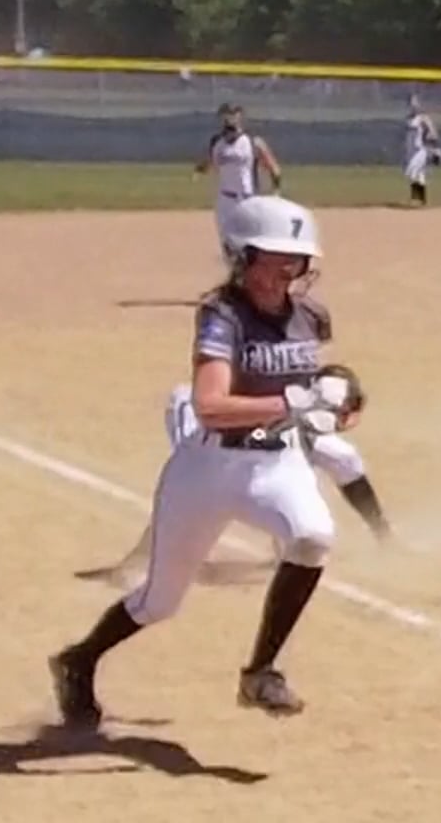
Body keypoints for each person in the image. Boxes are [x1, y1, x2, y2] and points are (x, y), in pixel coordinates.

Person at [47, 195, 358, 727]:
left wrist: (336, 405)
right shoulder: (222, 315)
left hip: (276, 461)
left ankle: (260, 672)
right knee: (158, 603)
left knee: (312, 536)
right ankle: (79, 660)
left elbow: (311, 387)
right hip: (209, 469)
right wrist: (291, 402)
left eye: (296, 259)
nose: (286, 269)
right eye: (273, 257)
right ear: (242, 255)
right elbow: (211, 407)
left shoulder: (311, 317)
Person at [81, 378, 393, 593]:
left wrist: (382, 533)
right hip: (197, 418)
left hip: (251, 433)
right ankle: (137, 564)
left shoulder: (324, 441)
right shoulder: (308, 430)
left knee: (277, 478)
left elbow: (353, 481)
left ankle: (280, 544)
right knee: (197, 487)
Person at [195, 103, 282, 257]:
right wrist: (199, 170)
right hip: (225, 199)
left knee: (250, 240)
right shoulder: (217, 142)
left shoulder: (252, 142)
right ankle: (235, 266)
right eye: (225, 115)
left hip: (247, 198)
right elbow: (209, 162)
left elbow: (273, 167)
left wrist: (276, 190)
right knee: (227, 242)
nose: (229, 119)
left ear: (240, 117)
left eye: (233, 115)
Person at [402, 95, 441, 207]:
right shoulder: (407, 118)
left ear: (419, 104)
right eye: (411, 103)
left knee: (411, 172)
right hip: (410, 151)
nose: (413, 105)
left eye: (415, 102)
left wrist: (437, 149)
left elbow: (433, 133)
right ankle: (422, 199)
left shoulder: (423, 118)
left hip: (420, 150)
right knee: (419, 174)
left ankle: (416, 197)